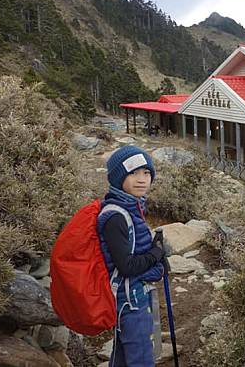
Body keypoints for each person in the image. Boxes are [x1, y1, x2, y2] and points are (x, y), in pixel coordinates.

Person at [97, 145, 165, 367]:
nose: (142, 179)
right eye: (133, 173)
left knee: (124, 358)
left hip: (131, 296)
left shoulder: (130, 207)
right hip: (130, 301)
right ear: (118, 178)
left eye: (146, 173)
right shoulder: (116, 216)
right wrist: (156, 254)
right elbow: (126, 265)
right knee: (141, 358)